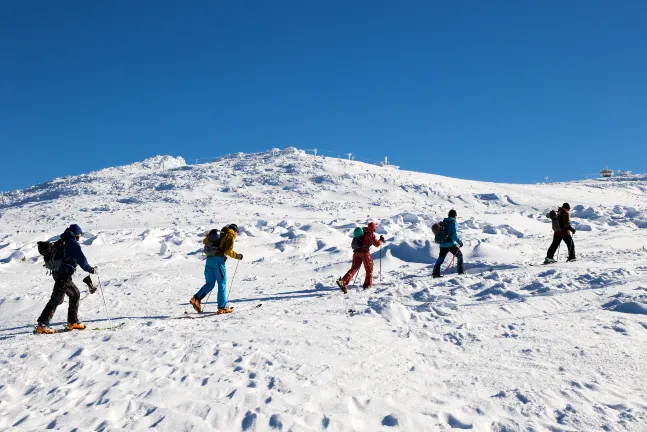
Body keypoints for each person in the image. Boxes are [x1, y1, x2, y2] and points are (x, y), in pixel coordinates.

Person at [36, 224, 96, 334]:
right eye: (79, 234)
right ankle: (42, 325)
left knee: (75, 294)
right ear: (76, 234)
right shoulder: (72, 243)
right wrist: (90, 269)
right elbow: (81, 259)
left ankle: (72, 322)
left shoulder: (62, 240)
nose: (80, 236)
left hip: (59, 274)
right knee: (56, 299)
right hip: (63, 275)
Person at [190, 224, 243, 314]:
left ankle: (196, 299)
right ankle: (222, 307)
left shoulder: (219, 234)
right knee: (222, 283)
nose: (236, 234)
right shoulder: (230, 235)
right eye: (237, 232)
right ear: (234, 230)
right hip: (218, 261)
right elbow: (228, 251)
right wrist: (238, 256)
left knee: (210, 284)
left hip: (209, 260)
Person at [337, 222, 384, 293]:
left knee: (354, 268)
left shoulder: (361, 232)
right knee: (369, 269)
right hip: (365, 253)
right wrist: (381, 240)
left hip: (356, 253)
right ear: (373, 228)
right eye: (374, 229)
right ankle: (367, 285)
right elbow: (377, 244)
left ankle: (343, 281)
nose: (374, 231)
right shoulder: (371, 235)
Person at [432, 210, 464, 277]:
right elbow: (454, 234)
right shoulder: (453, 222)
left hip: (442, 244)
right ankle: (460, 272)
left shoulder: (444, 222)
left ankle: (435, 273)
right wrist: (459, 242)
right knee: (459, 255)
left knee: (441, 258)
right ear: (455, 216)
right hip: (450, 244)